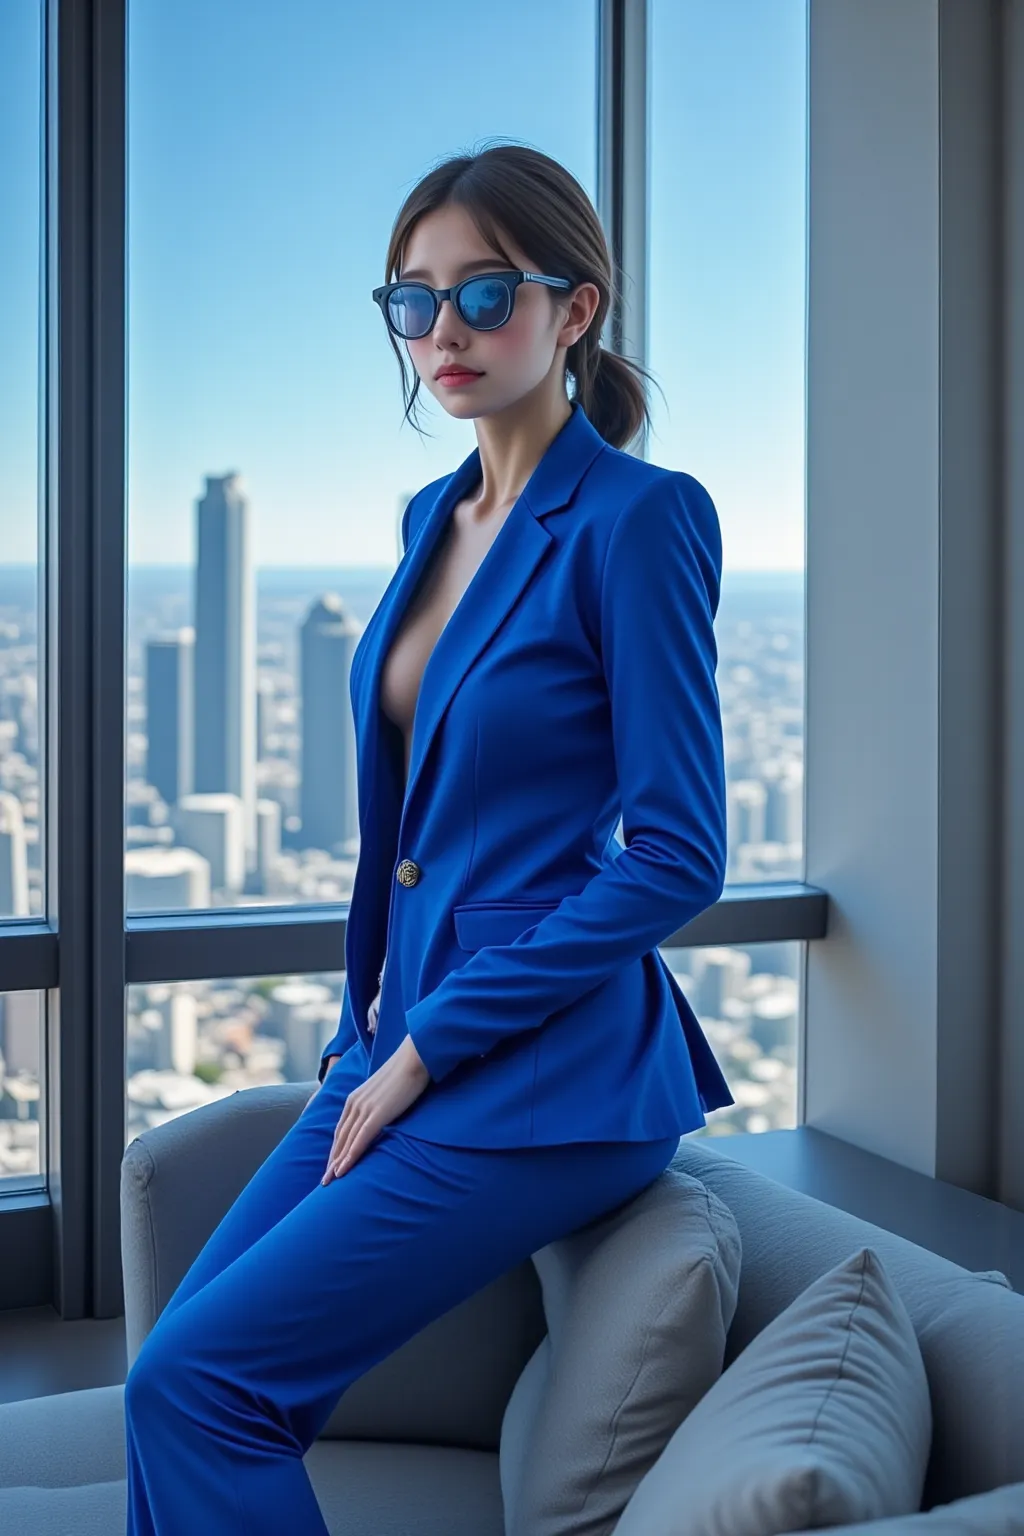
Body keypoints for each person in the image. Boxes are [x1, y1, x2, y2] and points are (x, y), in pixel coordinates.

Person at [124, 142, 733, 1535]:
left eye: (484, 294)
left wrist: (426, 1049)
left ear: (577, 310)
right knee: (170, 1375)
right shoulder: (430, 517)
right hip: (392, 1042)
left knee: (205, 1386)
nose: (442, 333)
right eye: (413, 301)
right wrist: (380, 1040)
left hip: (545, 1078)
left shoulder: (640, 521)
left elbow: (678, 855)